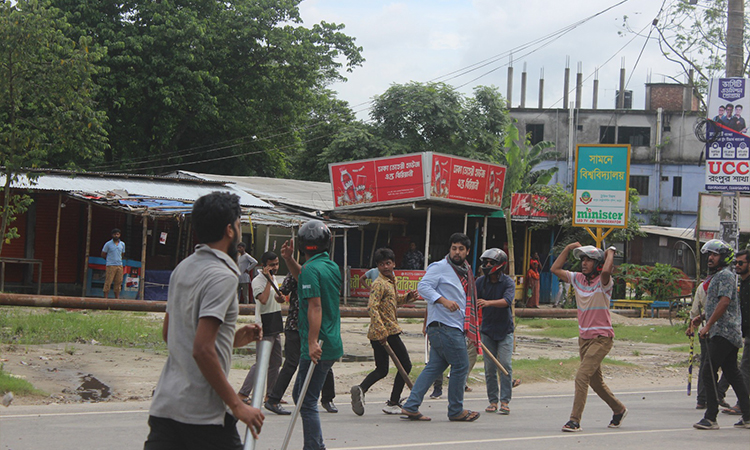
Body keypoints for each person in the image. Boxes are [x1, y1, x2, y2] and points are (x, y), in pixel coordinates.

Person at [144, 192, 264, 450]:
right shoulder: (222, 276)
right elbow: (201, 348)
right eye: (240, 225)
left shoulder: (183, 268)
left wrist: (229, 340)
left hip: (166, 408)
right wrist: (237, 405)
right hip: (203, 416)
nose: (240, 232)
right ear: (230, 230)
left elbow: (172, 334)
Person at [401, 232, 480, 422]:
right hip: (444, 326)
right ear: (449, 249)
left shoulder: (466, 271)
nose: (457, 252)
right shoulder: (440, 267)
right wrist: (443, 301)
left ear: (467, 251)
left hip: (451, 326)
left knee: (435, 367)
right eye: (454, 248)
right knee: (461, 365)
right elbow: (423, 287)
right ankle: (455, 410)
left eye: (461, 249)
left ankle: (411, 406)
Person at [551, 243, 627, 432]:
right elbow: (555, 269)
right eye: (582, 260)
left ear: (598, 263)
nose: (584, 263)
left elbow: (607, 271)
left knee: (581, 376)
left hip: (602, 338)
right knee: (595, 382)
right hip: (584, 338)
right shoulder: (578, 279)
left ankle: (574, 420)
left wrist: (610, 252)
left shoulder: (604, 282)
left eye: (589, 260)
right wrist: (568, 248)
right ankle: (618, 409)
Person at [282, 220, 343, 450]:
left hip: (318, 345)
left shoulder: (311, 269)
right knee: (301, 397)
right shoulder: (330, 266)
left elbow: (315, 306)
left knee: (306, 401)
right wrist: (289, 260)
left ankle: (315, 447)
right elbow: (305, 278)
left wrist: (311, 342)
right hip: (330, 342)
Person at [351, 248, 418, 416]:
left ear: (394, 264)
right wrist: (382, 331)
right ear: (377, 267)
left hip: (381, 332)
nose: (385, 267)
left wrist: (408, 297)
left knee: (382, 369)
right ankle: (393, 402)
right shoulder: (379, 283)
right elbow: (371, 307)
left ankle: (361, 389)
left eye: (388, 263)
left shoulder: (391, 281)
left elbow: (393, 301)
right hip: (386, 332)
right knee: (406, 365)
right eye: (381, 264)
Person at [692, 240, 750, 429]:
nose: (710, 258)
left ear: (724, 258)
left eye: (715, 255)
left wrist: (707, 325)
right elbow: (716, 304)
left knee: (709, 372)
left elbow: (724, 303)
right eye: (709, 254)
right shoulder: (718, 276)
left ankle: (711, 417)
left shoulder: (725, 275)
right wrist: (701, 317)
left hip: (724, 332)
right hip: (724, 331)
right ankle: (748, 416)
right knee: (733, 373)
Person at [263, 273, 339, 416]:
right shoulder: (297, 273)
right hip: (295, 325)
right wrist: (278, 297)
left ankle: (328, 399)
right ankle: (273, 399)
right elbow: (281, 294)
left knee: (323, 359)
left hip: (316, 326)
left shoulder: (323, 273)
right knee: (291, 362)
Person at [238, 252, 284, 402]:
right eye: (272, 265)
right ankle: (244, 393)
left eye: (276, 264)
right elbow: (263, 300)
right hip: (263, 324)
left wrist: (280, 297)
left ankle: (270, 394)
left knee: (276, 362)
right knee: (261, 363)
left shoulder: (273, 278)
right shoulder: (257, 281)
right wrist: (269, 281)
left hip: (275, 321)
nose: (275, 267)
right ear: (264, 266)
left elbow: (273, 298)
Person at [476, 248, 516, 415]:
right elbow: (471, 300)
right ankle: (493, 401)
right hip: (487, 331)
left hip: (505, 330)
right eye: (486, 262)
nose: (488, 265)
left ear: (500, 265)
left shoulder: (508, 282)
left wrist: (488, 303)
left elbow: (507, 301)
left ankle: (505, 401)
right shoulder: (480, 282)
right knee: (489, 368)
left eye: (491, 262)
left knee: (505, 364)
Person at [687, 279, 731, 410]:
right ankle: (718, 393)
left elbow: (695, 309)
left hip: (704, 330)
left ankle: (702, 399)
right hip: (721, 332)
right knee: (729, 366)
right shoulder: (725, 285)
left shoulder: (702, 286)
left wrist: (691, 325)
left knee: (706, 365)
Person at [720, 249, 750, 415]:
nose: (737, 266)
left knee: (744, 367)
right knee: (734, 366)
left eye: (741, 263)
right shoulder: (742, 284)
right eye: (735, 263)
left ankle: (742, 405)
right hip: (743, 332)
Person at [101, 228, 126, 299]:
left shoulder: (122, 244)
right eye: (115, 234)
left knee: (118, 281)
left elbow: (122, 254)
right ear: (112, 235)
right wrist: (109, 260)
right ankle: (105, 298)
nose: (116, 236)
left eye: (117, 234)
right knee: (108, 281)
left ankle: (117, 298)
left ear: (120, 235)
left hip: (119, 265)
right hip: (110, 265)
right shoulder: (108, 244)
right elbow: (103, 254)